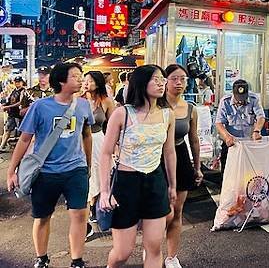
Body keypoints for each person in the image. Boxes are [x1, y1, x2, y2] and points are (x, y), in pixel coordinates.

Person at [6, 63, 93, 268]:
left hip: (75, 169)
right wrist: (12, 170)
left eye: (81, 76)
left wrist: (87, 165)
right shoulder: (41, 106)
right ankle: (42, 258)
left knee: (80, 214)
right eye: (75, 76)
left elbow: (87, 135)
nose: (81, 80)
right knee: (42, 216)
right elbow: (25, 139)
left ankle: (77, 260)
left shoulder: (83, 105)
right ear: (61, 81)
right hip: (45, 171)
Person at [98, 65, 177, 268]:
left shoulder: (168, 114)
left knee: (154, 247)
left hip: (155, 181)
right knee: (123, 252)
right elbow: (106, 153)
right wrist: (105, 191)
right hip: (126, 183)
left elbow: (169, 151)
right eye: (156, 79)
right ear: (141, 83)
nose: (162, 83)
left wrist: (172, 186)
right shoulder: (122, 113)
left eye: (163, 79)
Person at [164, 64, 202, 268]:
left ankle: (171, 256)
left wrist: (197, 167)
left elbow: (194, 140)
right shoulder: (156, 105)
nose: (179, 82)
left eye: (183, 79)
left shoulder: (190, 108)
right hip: (156, 160)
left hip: (181, 157)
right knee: (161, 212)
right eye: (174, 78)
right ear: (165, 81)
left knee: (177, 210)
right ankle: (151, 248)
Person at [82, 71, 116, 236]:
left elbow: (113, 127)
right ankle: (87, 215)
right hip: (80, 143)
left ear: (98, 83)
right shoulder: (79, 101)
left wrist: (115, 148)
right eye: (85, 80)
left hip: (100, 141)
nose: (86, 83)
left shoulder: (106, 101)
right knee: (87, 176)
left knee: (100, 175)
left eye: (90, 80)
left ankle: (97, 210)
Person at [215, 79, 266, 170]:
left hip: (249, 142)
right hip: (231, 143)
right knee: (228, 171)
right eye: (238, 99)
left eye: (243, 98)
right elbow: (219, 123)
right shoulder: (225, 101)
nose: (240, 102)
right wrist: (227, 136)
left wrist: (257, 131)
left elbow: (261, 117)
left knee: (249, 171)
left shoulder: (254, 99)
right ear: (233, 94)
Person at [0, 76, 27, 151]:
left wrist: (8, 106)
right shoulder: (14, 90)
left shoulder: (23, 91)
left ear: (22, 82)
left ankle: (20, 148)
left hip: (19, 114)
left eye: (19, 81)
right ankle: (2, 146)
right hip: (12, 114)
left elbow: (20, 103)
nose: (17, 83)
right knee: (8, 129)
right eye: (16, 81)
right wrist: (4, 105)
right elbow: (9, 101)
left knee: (20, 131)